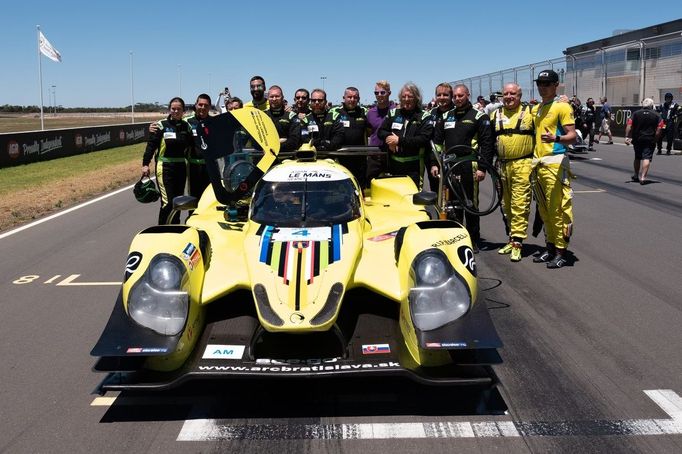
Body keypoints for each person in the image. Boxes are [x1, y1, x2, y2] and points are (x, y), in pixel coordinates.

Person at [430, 84, 494, 252]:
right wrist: (435, 163)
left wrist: (482, 168)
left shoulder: (479, 116)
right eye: (456, 96)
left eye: (461, 96)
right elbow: (437, 143)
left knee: (470, 204)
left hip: (469, 166)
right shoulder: (446, 116)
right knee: (451, 204)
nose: (458, 99)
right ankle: (456, 239)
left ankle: (473, 239)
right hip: (449, 166)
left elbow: (487, 145)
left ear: (468, 95)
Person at [530, 69, 577, 269]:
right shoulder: (538, 108)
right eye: (540, 83)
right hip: (538, 164)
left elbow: (572, 136)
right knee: (544, 210)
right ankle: (549, 248)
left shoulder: (562, 106)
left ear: (556, 85)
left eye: (547, 84)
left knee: (558, 210)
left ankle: (561, 251)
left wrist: (556, 138)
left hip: (555, 163)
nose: (542, 87)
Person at [490, 83, 534, 262]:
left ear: (520, 95)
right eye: (506, 93)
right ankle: (511, 238)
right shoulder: (495, 114)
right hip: (501, 165)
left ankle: (517, 242)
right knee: (505, 205)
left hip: (523, 164)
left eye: (513, 93)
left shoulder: (532, 112)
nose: (508, 96)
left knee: (519, 204)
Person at [142, 97, 194, 224]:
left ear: (183, 111)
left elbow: (192, 146)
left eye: (179, 109)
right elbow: (151, 146)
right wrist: (145, 164)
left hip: (181, 167)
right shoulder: (161, 125)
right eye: (173, 109)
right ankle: (162, 229)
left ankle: (175, 227)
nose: (176, 111)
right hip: (165, 167)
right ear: (169, 110)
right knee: (168, 202)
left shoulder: (186, 126)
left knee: (179, 201)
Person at [378, 82, 434, 190]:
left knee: (413, 198)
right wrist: (390, 139)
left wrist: (399, 141)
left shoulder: (425, 116)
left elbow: (423, 139)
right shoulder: (393, 113)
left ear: (417, 98)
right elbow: (381, 131)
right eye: (403, 96)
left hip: (414, 166)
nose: (406, 99)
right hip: (394, 165)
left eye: (410, 96)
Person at [330, 87, 370, 187]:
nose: (352, 100)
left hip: (360, 157)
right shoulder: (334, 112)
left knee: (360, 185)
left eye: (355, 97)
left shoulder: (364, 111)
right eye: (349, 97)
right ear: (344, 98)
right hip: (340, 157)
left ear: (359, 99)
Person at [625, 98, 662, 184]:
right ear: (652, 105)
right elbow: (659, 129)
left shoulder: (635, 113)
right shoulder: (657, 115)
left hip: (637, 139)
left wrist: (627, 137)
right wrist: (655, 140)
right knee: (647, 157)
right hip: (649, 139)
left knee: (637, 157)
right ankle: (643, 177)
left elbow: (629, 125)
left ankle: (635, 175)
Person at [428, 82, 455, 192]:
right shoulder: (432, 112)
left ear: (451, 96)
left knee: (453, 192)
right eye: (439, 95)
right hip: (434, 158)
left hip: (452, 158)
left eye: (445, 95)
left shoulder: (457, 112)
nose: (442, 98)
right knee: (436, 191)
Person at [366, 80, 395, 182]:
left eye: (382, 92)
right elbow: (369, 132)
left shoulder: (396, 110)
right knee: (370, 185)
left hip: (392, 155)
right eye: (376, 93)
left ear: (389, 93)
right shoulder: (370, 113)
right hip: (374, 155)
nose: (379, 95)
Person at [264, 85, 301, 152]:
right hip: (266, 157)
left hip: (287, 158)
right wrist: (281, 141)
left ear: (282, 97)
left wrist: (272, 147)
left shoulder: (291, 116)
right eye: (271, 97)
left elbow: (294, 141)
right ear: (268, 98)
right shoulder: (263, 115)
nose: (274, 99)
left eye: (277, 96)